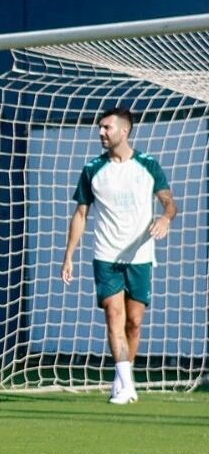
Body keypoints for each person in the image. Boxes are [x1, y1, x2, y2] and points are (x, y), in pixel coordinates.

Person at [60, 106, 175, 404]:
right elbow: (81, 214)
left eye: (106, 127)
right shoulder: (92, 169)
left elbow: (169, 202)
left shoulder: (149, 165)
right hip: (106, 255)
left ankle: (123, 379)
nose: (100, 132)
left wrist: (165, 218)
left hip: (140, 256)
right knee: (114, 313)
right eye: (100, 127)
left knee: (134, 322)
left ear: (124, 131)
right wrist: (69, 255)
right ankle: (126, 385)